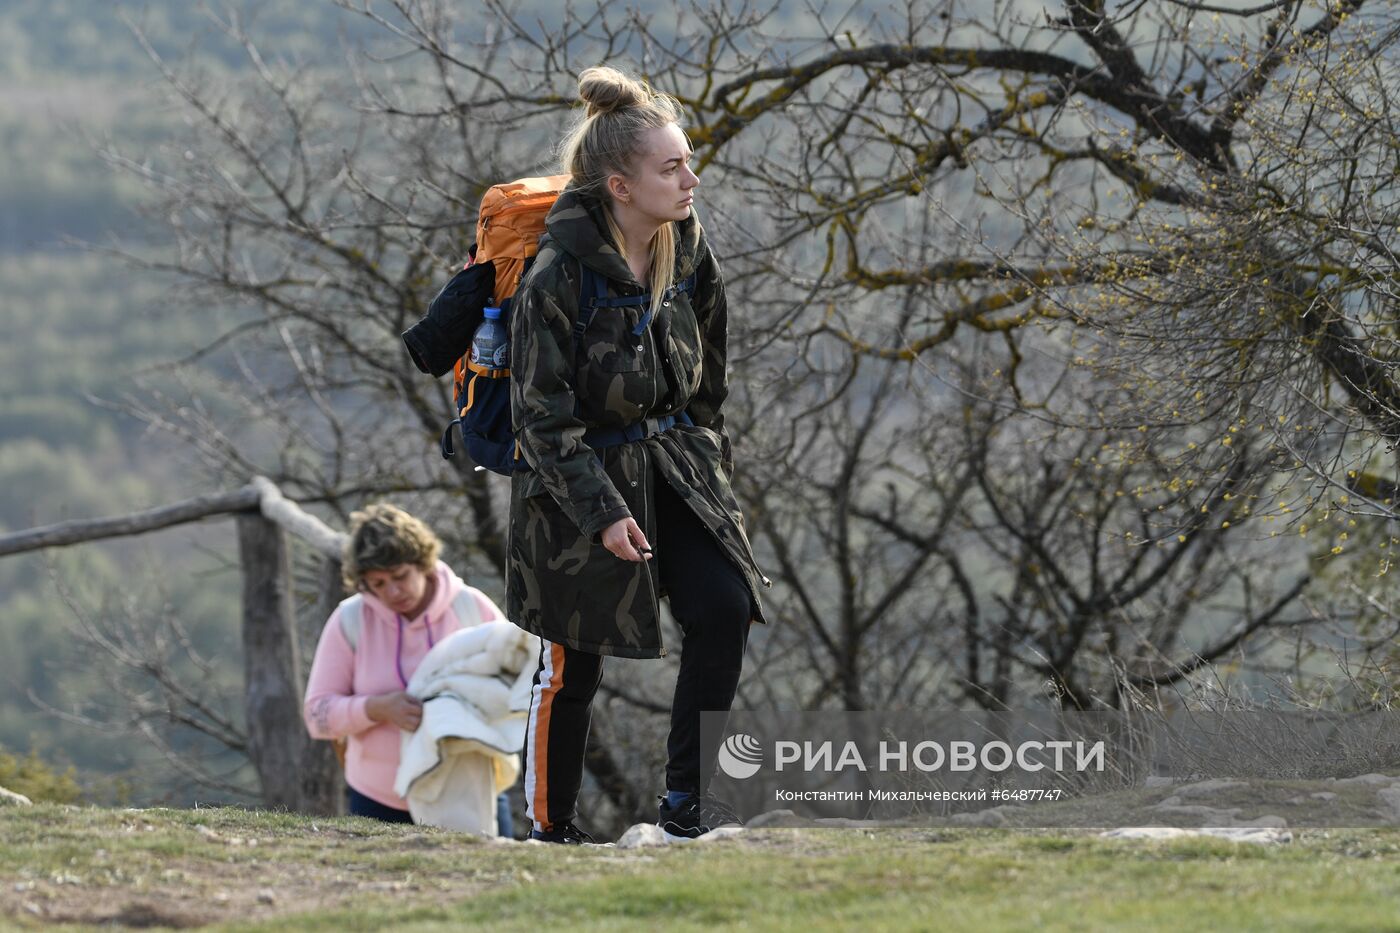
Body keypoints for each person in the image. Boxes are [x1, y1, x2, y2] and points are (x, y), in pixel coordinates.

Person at [507, 65, 769, 844]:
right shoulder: (555, 278)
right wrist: (603, 513)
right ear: (620, 186)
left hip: (676, 465)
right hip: (575, 487)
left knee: (722, 608)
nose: (692, 178)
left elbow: (710, 361)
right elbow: (541, 421)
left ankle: (688, 805)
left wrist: (704, 454)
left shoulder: (686, 247)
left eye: (686, 161)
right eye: (672, 167)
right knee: (575, 661)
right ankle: (552, 829)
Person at [303, 503, 514, 834]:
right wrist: (376, 708)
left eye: (400, 576)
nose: (392, 591)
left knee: (485, 884)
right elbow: (317, 715)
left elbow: (516, 684)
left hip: (469, 788)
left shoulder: (471, 608)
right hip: (378, 797)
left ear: (423, 563)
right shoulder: (350, 620)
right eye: (378, 583)